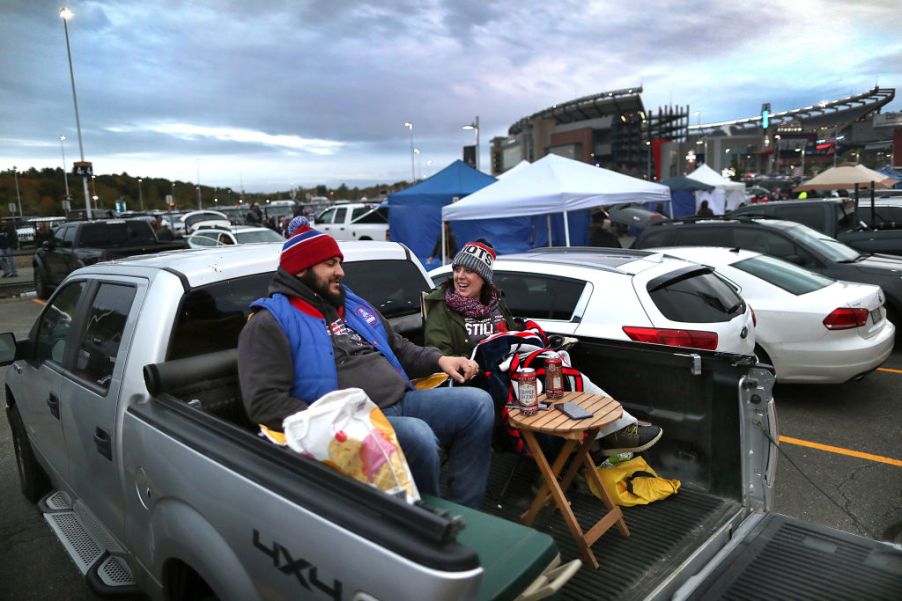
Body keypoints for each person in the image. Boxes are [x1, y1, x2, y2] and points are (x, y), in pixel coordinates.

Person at [238, 225, 494, 508]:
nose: (341, 272)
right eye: (330, 264)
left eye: (340, 263)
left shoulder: (350, 303)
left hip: (402, 400)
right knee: (418, 435)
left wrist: (440, 359)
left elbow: (399, 347)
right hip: (351, 423)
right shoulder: (269, 322)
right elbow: (263, 402)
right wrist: (333, 421)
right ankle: (427, 526)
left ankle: (466, 511)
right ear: (301, 269)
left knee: (479, 403)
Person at [423, 241, 662, 457]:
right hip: (480, 381)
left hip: (512, 370)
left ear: (484, 277)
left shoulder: (495, 302)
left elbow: (513, 334)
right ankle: (606, 437)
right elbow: (440, 356)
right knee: (546, 389)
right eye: (457, 270)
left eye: (469, 271)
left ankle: (612, 433)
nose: (460, 277)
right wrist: (474, 360)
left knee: (563, 374)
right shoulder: (441, 308)